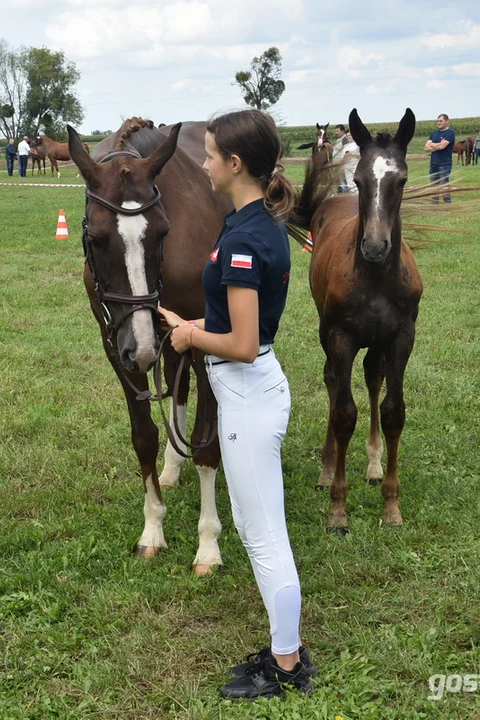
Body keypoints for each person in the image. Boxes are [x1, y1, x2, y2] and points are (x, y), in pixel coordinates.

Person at [158, 109, 316, 702]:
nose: (201, 164)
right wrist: (197, 321)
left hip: (248, 395)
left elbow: (245, 345)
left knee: (263, 535)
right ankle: (285, 647)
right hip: (247, 391)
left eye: (208, 154)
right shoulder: (250, 221)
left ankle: (286, 665)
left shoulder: (247, 237)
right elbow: (240, 322)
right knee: (255, 526)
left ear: (235, 164)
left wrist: (192, 337)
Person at [424, 113, 455, 203]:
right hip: (433, 164)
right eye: (437, 121)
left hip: (444, 164)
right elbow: (426, 148)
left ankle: (447, 202)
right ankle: (434, 203)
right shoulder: (434, 134)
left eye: (441, 121)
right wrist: (437, 145)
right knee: (433, 184)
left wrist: (433, 144)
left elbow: (442, 147)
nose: (438, 123)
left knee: (444, 184)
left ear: (447, 121)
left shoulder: (450, 133)